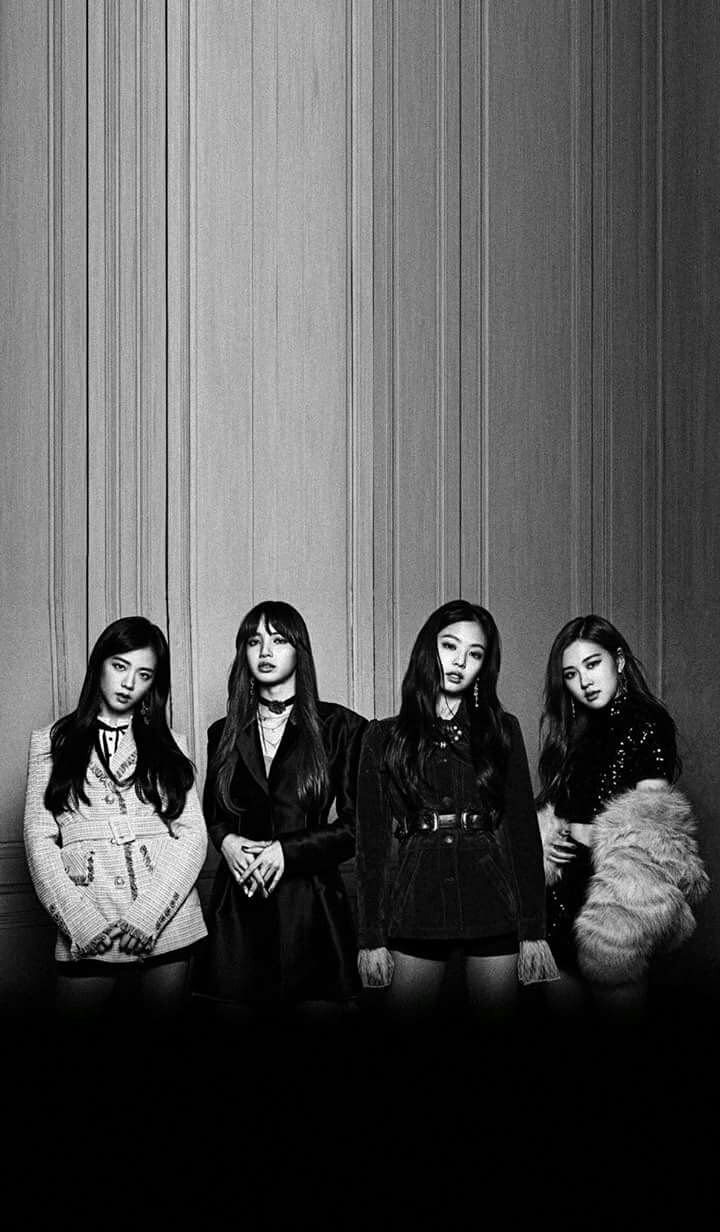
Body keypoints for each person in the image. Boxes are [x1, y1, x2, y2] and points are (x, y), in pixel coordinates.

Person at [355, 599, 556, 1022]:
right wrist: (371, 937)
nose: (460, 661)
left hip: (491, 899)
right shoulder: (382, 737)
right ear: (428, 648)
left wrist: (533, 930)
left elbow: (523, 834)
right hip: (416, 900)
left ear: (484, 666)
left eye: (474, 653)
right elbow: (371, 847)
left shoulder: (502, 731)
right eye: (450, 646)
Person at [23, 616, 207, 1018]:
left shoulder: (171, 744)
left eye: (144, 675)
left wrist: (148, 916)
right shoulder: (50, 742)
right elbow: (39, 840)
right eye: (120, 666)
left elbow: (193, 835)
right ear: (99, 664)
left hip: (169, 923)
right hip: (91, 920)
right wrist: (80, 921)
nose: (128, 683)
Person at [196, 600, 366, 1021]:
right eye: (254, 641)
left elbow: (356, 828)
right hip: (238, 909)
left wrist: (286, 851)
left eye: (278, 640)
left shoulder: (342, 727)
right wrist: (226, 840)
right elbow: (214, 814)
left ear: (299, 650)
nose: (266, 651)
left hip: (312, 913)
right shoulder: (223, 732)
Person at [536, 614, 708, 1014]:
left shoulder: (647, 723)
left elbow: (651, 823)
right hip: (563, 888)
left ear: (619, 660)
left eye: (592, 664)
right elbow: (564, 806)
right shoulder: (573, 732)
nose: (585, 681)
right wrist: (550, 837)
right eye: (572, 674)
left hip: (616, 891)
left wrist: (589, 836)